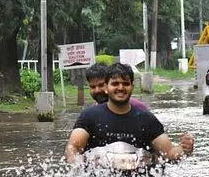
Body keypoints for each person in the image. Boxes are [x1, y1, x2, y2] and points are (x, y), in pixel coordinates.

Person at [65, 63, 194, 163]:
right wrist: (76, 163)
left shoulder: (146, 119)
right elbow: (73, 148)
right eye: (115, 83)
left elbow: (169, 152)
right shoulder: (89, 116)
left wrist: (184, 149)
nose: (120, 88)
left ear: (132, 87)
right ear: (106, 87)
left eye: (125, 84)